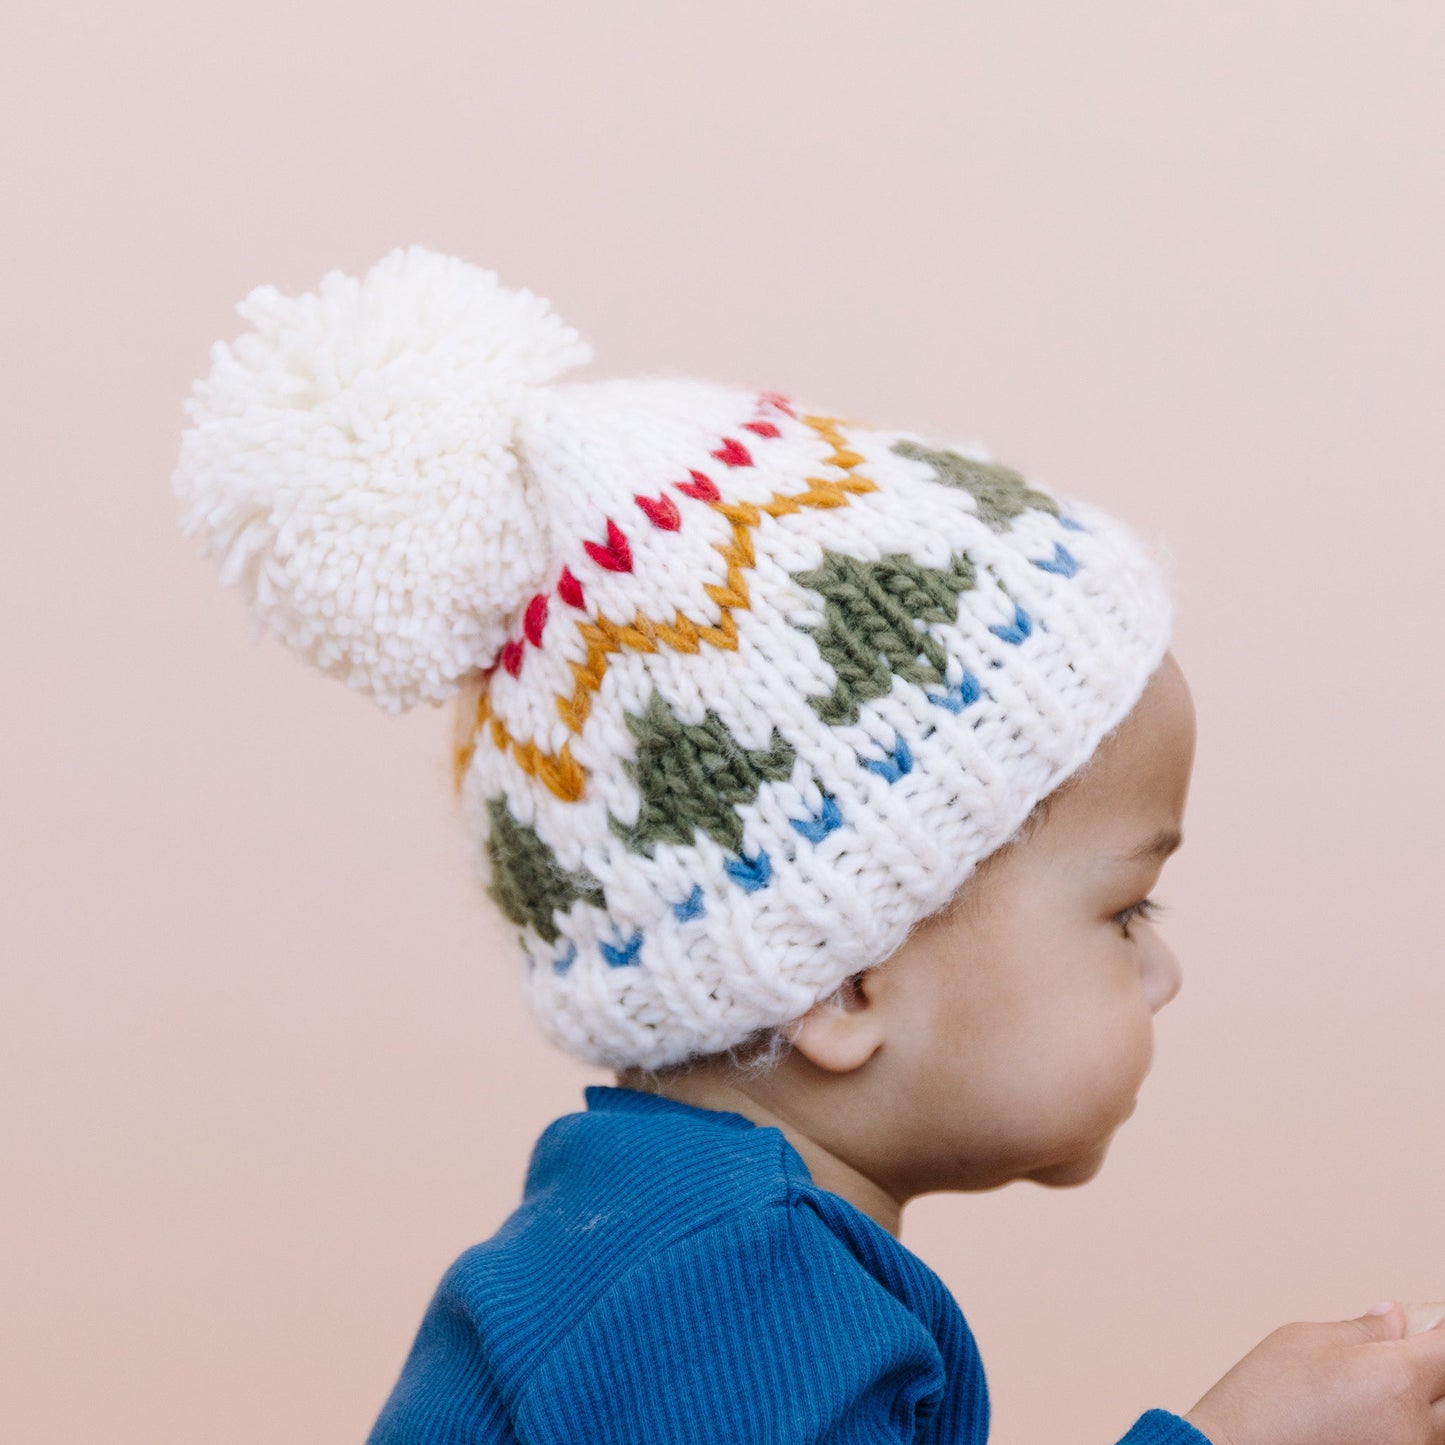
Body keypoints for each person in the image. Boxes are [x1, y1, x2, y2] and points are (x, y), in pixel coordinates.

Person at [172, 246, 1445, 1444]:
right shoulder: (734, 1284)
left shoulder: (666, 1239)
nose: (1163, 972)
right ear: (842, 980)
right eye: (1125, 911)